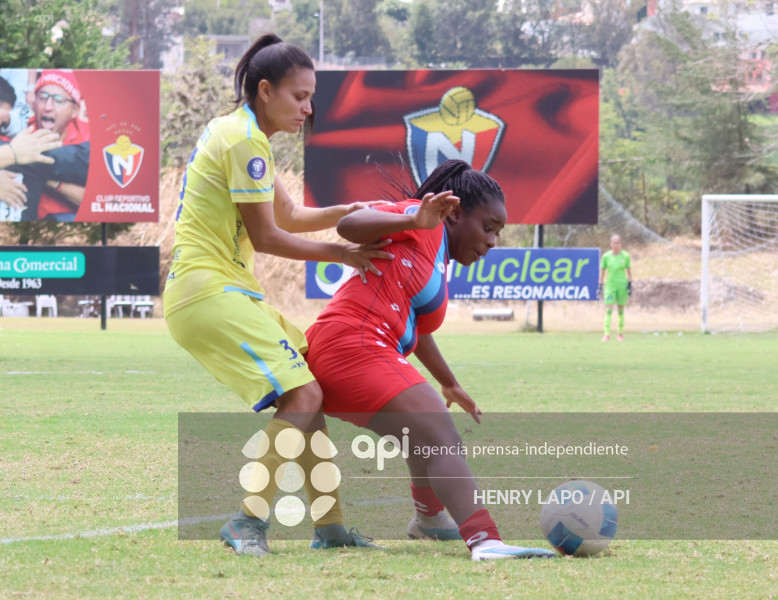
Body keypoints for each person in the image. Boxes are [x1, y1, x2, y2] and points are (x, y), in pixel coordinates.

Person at [163, 33, 393, 557]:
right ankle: (247, 520)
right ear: (265, 90)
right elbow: (268, 237)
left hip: (223, 291)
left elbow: (287, 216)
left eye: (312, 97)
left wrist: (352, 209)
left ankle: (330, 526)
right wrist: (343, 252)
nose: (308, 108)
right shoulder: (245, 140)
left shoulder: (243, 134)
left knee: (309, 389)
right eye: (298, 96)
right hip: (207, 293)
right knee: (305, 394)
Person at [304, 159, 556, 561]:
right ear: (455, 213)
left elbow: (416, 329)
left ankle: (430, 519)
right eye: (488, 227)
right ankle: (485, 541)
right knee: (439, 431)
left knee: (423, 431)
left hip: (360, 346)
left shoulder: (438, 255)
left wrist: (449, 381)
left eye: (498, 233)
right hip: (350, 344)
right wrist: (418, 219)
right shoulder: (421, 220)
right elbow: (349, 226)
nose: (492, 241)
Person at [27, 69, 89, 221]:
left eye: (59, 100)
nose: (48, 107)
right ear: (33, 104)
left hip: (73, 228)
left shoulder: (88, 137)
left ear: (75, 110)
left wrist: (52, 183)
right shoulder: (20, 132)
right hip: (28, 228)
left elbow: (99, 202)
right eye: (42, 98)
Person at [598, 234, 632, 342]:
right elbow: (602, 272)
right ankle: (606, 334)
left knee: (621, 311)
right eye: (614, 243)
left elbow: (629, 272)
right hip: (610, 286)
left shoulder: (625, 256)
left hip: (622, 286)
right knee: (608, 310)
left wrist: (630, 285)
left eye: (618, 243)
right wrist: (600, 286)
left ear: (620, 244)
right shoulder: (606, 256)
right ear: (610, 244)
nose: (616, 245)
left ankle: (620, 334)